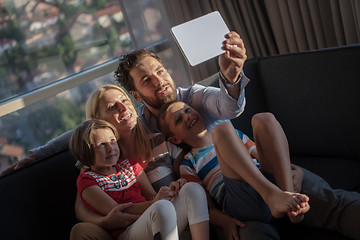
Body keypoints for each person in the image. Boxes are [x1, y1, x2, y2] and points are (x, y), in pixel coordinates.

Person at [157, 100, 310, 226]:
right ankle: (271, 195)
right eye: (179, 119)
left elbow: (269, 157)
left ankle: (292, 203)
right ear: (175, 139)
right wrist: (225, 221)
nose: (187, 116)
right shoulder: (188, 163)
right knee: (222, 129)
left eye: (187, 110)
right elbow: (204, 206)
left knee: (264, 118)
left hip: (269, 182)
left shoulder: (235, 135)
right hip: (241, 200)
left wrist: (296, 171)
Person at [69, 119, 209, 240]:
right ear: (85, 151)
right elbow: (119, 211)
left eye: (112, 141)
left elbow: (151, 196)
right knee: (161, 207)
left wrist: (170, 192)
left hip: (153, 219)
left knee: (191, 189)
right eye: (101, 145)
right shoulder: (87, 180)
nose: (110, 148)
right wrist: (156, 202)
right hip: (127, 231)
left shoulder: (130, 165)